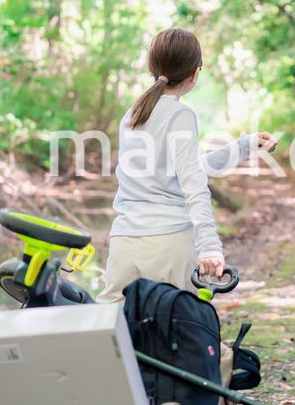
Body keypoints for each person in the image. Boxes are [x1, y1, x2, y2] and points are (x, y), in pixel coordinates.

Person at [98, 28, 277, 302]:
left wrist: (245, 145)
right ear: (195, 73)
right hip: (169, 243)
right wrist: (209, 246)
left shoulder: (133, 114)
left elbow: (187, 169)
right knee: (182, 335)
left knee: (117, 335)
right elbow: (193, 181)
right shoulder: (180, 114)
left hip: (124, 241)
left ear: (152, 67)